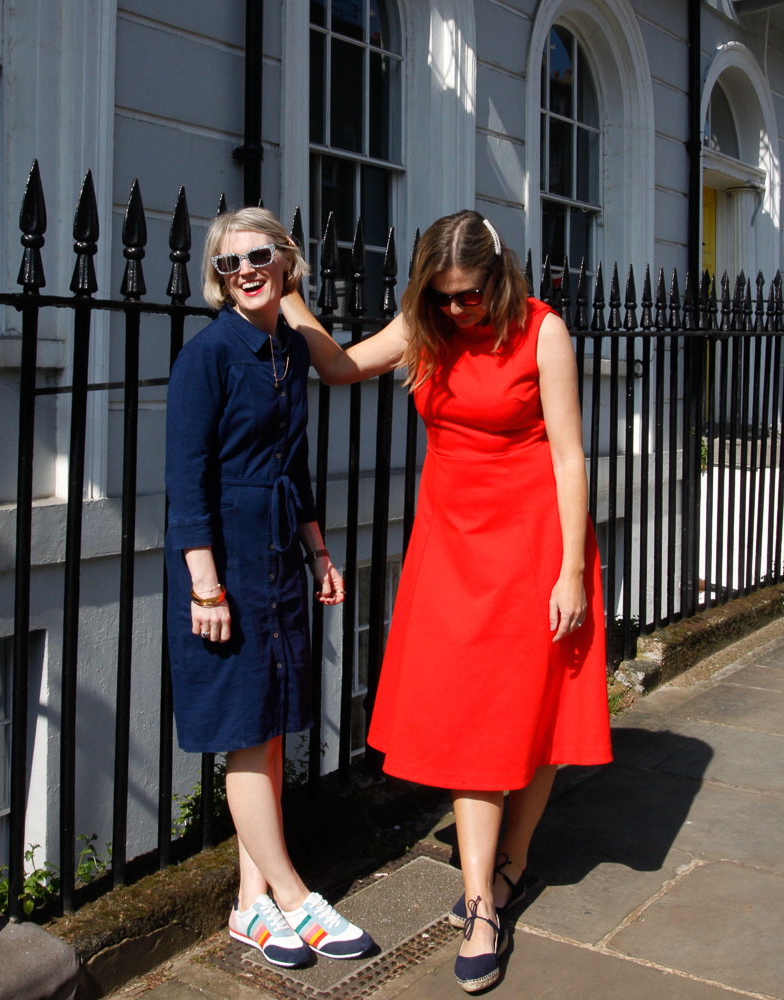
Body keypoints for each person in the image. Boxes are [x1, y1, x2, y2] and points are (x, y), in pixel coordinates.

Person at [281, 210, 613, 992]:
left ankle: (512, 866)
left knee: (536, 714)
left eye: (469, 295)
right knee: (473, 720)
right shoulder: (422, 323)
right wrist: (292, 303)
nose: (459, 310)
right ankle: (480, 901)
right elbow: (339, 368)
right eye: (445, 297)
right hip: (452, 544)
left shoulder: (544, 333)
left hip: (534, 542)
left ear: (498, 276)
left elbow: (570, 457)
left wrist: (571, 570)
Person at [164, 206, 373, 969]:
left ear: (288, 263)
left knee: (274, 721)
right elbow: (184, 483)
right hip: (225, 559)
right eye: (229, 264)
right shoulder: (208, 356)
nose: (246, 270)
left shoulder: (287, 348)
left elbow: (295, 466)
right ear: (219, 282)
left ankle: (249, 906)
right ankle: (291, 894)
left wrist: (318, 553)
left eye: (258, 255)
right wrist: (206, 587)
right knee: (246, 729)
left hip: (282, 550)